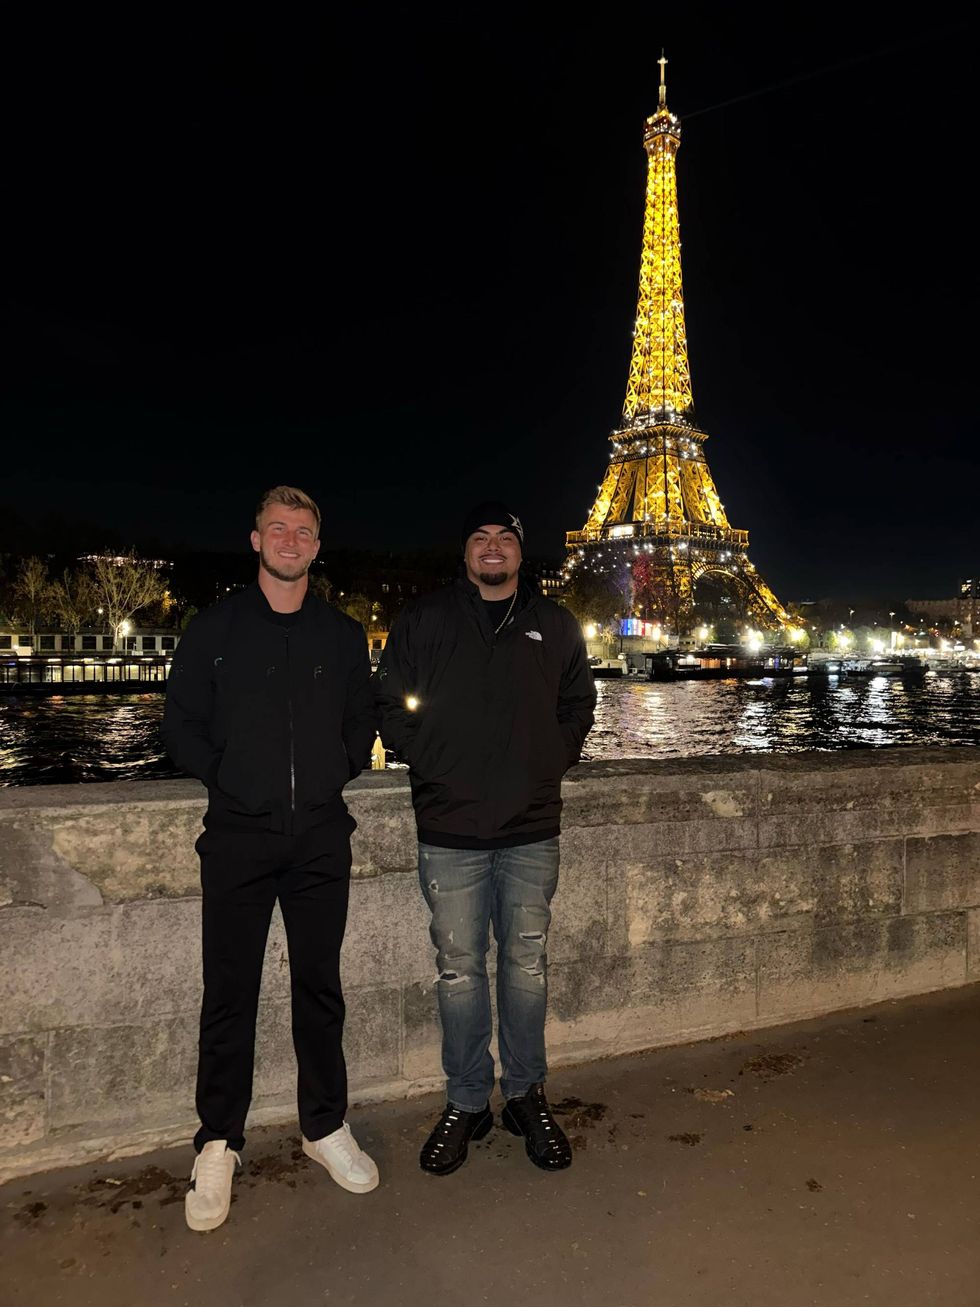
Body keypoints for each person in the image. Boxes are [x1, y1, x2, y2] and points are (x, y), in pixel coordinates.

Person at [162, 485, 379, 1232]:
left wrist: (331, 771)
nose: (290, 539)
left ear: (318, 547)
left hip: (320, 835)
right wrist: (230, 778)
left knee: (321, 990)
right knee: (229, 996)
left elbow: (363, 721)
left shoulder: (343, 636)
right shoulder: (215, 627)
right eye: (277, 528)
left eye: (304, 530)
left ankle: (323, 1125)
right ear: (255, 540)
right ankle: (217, 1141)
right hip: (237, 837)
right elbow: (180, 719)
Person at [374, 501, 595, 1176]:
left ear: (521, 553)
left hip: (530, 826)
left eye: (505, 538)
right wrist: (435, 766)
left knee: (526, 969)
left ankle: (525, 1093)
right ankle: (468, 1099)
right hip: (450, 827)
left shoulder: (554, 624)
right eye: (480, 537)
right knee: (460, 972)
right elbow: (388, 701)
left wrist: (546, 763)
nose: (493, 547)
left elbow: (578, 704)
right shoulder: (426, 620)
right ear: (465, 552)